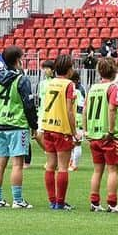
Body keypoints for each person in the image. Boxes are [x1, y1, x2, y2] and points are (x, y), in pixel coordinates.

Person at [0, 45, 39, 209]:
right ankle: (17, 200)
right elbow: (29, 104)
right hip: (16, 124)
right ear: (18, 60)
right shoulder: (21, 79)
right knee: (17, 164)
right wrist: (34, 125)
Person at [83, 57, 118, 213]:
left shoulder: (93, 88)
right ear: (114, 71)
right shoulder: (113, 88)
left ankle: (94, 202)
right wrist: (112, 130)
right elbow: (112, 109)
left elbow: (85, 109)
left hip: (93, 134)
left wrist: (86, 129)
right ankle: (112, 203)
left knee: (97, 170)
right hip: (108, 135)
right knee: (112, 170)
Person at [40, 54, 79, 210]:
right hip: (62, 128)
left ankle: (52, 200)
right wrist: (74, 131)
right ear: (69, 70)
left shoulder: (49, 83)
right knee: (62, 167)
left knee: (50, 165)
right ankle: (60, 202)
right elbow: (69, 111)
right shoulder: (69, 84)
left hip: (48, 126)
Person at [68, 71, 85, 173]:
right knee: (73, 142)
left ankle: (74, 163)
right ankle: (72, 162)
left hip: (76, 117)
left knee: (76, 142)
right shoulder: (81, 89)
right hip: (77, 117)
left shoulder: (77, 90)